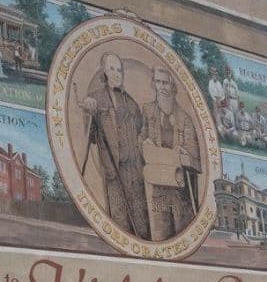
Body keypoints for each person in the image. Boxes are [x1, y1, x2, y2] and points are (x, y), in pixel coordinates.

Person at [80, 52, 150, 239]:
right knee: (120, 220)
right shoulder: (96, 99)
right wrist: (88, 111)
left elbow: (141, 131)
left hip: (134, 171)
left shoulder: (132, 103)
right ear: (104, 72)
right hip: (113, 170)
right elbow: (91, 137)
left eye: (119, 70)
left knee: (141, 221)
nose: (117, 73)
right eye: (112, 69)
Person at [141, 67, 201, 239]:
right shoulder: (147, 111)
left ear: (174, 87)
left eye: (166, 83)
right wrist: (143, 143)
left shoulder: (185, 119)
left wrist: (185, 156)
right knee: (159, 240)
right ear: (154, 84)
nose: (162, 87)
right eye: (158, 82)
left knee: (183, 239)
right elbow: (140, 139)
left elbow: (197, 162)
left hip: (180, 194)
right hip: (157, 191)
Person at [207, 66, 226, 130]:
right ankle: (216, 126)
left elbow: (222, 93)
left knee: (220, 112)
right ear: (212, 75)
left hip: (220, 100)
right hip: (214, 100)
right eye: (213, 75)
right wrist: (216, 100)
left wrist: (220, 100)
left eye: (216, 75)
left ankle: (221, 125)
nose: (215, 76)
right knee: (215, 112)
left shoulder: (219, 84)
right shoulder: (210, 82)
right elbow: (210, 92)